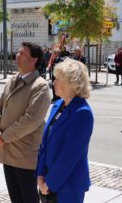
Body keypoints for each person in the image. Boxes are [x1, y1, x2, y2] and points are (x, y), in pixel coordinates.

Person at [0, 42, 51, 203]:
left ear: (34, 60)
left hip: (24, 156)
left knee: (28, 198)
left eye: (23, 53)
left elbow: (31, 119)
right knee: (15, 198)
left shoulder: (41, 86)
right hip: (7, 152)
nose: (18, 55)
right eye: (18, 52)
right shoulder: (13, 80)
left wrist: (4, 137)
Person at [37, 58, 94, 203]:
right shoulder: (58, 105)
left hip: (68, 186)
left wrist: (49, 183)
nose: (53, 82)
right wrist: (40, 175)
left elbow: (70, 155)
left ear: (72, 82)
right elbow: (45, 144)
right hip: (47, 183)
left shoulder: (82, 112)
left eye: (57, 79)